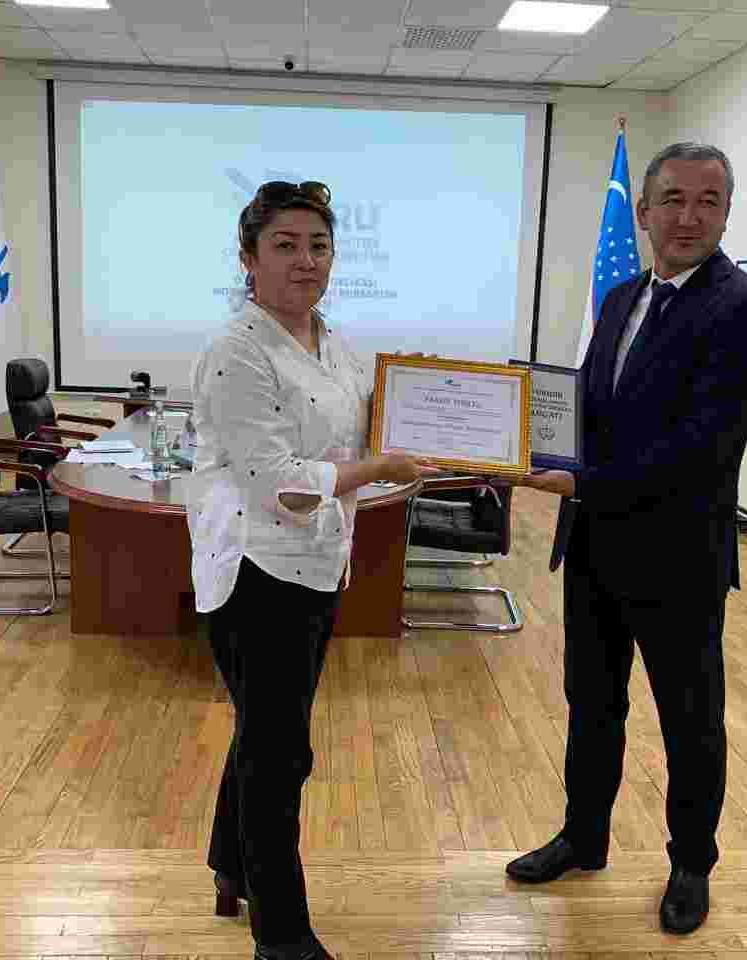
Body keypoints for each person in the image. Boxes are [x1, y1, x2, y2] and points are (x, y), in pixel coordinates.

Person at [504, 143, 747, 935]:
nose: (690, 217)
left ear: (726, 213)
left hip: (678, 555)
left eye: (709, 201)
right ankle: (583, 836)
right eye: (674, 199)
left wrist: (582, 481)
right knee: (591, 704)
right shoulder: (623, 295)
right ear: (645, 211)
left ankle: (691, 863)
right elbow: (593, 411)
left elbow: (704, 444)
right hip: (594, 545)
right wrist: (519, 443)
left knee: (690, 720)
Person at [187, 180, 439, 960]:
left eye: (319, 246)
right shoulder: (237, 351)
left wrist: (427, 440)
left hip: (318, 565)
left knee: (265, 733)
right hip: (257, 570)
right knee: (280, 754)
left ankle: (232, 865)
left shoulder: (336, 345)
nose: (306, 261)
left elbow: (362, 445)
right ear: (249, 257)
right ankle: (282, 936)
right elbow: (282, 486)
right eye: (286, 245)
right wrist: (381, 468)